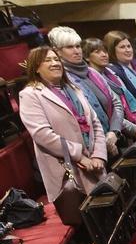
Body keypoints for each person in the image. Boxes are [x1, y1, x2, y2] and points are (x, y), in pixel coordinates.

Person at [18, 46, 107, 223]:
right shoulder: (30, 95)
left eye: (56, 59)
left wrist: (99, 155)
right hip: (68, 169)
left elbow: (95, 123)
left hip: (94, 165)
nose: (54, 63)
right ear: (36, 67)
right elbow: (43, 134)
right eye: (48, 60)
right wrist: (79, 156)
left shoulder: (73, 89)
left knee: (106, 220)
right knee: (85, 226)